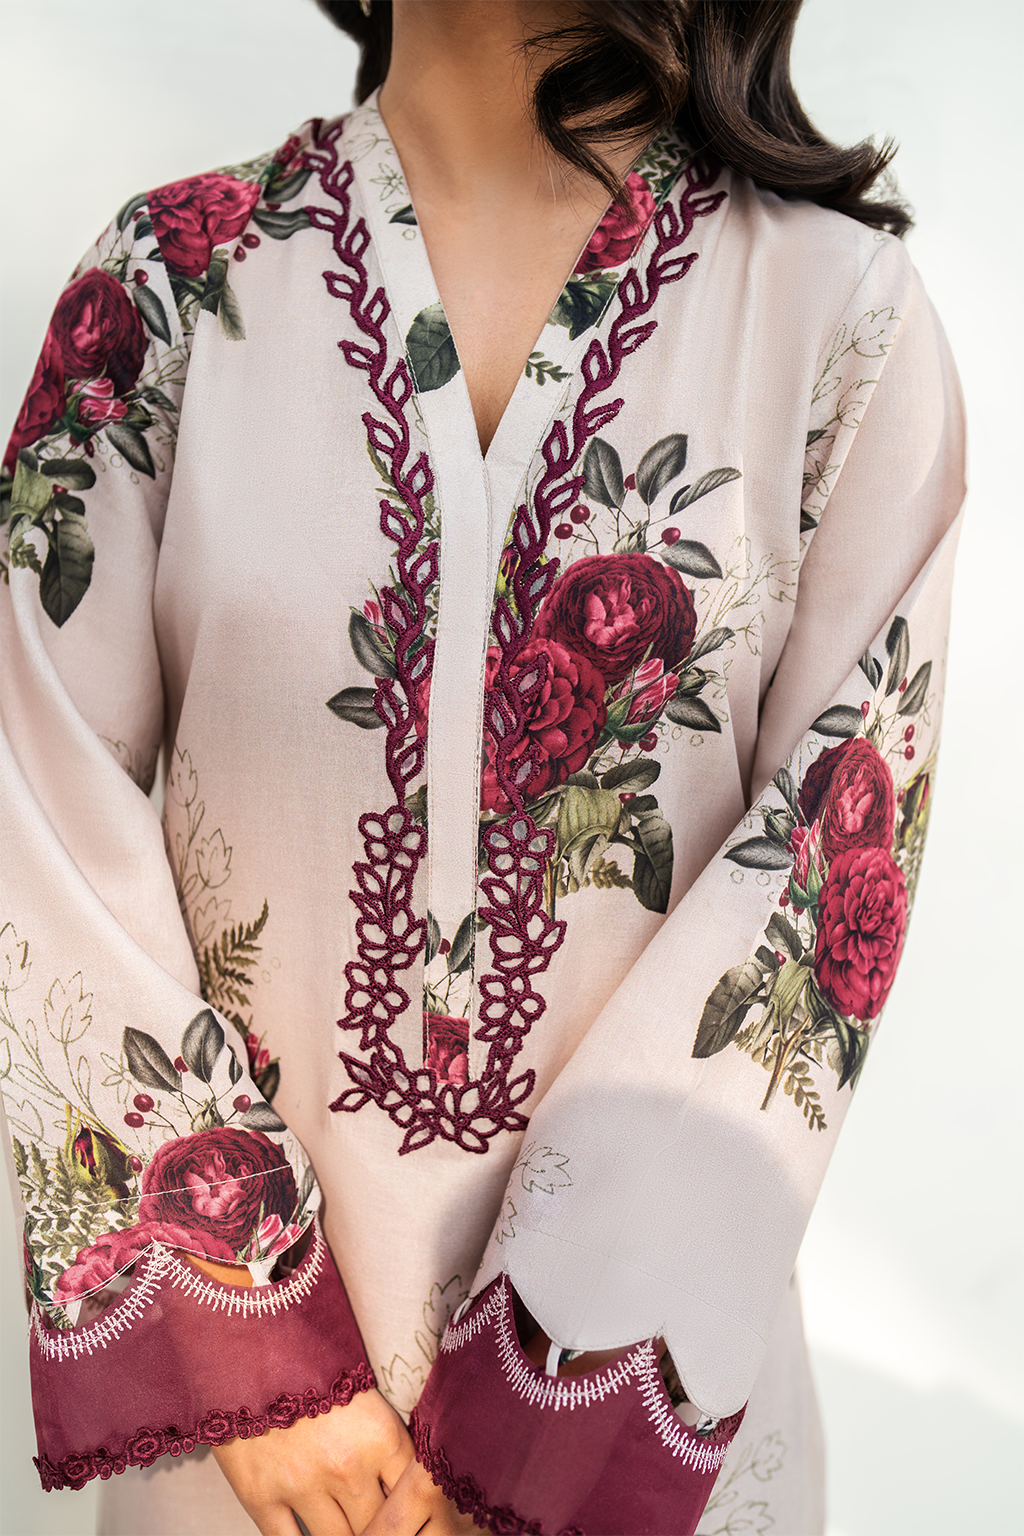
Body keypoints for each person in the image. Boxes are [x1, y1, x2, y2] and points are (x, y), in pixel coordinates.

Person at [0, 1, 966, 1532]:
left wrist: (546, 1424)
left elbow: (817, 901)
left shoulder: (841, 321)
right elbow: (33, 805)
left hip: (638, 1457)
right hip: (263, 1477)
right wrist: (250, 1337)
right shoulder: (169, 287)